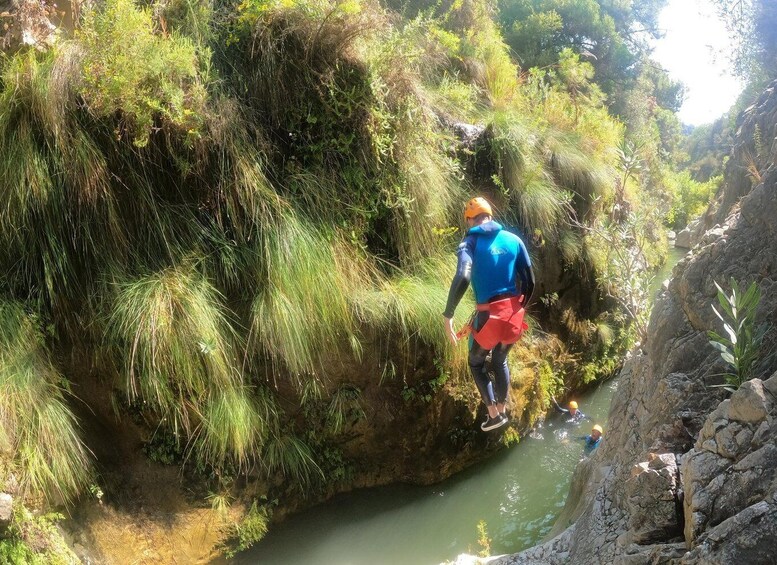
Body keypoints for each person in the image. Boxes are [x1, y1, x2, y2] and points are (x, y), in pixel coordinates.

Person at [443, 197, 535, 432]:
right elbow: (529, 281)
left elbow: (463, 276)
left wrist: (449, 314)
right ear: (490, 216)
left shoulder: (470, 242)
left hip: (488, 318)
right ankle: (502, 409)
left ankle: (493, 414)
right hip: (514, 315)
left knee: (476, 363)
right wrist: (519, 307)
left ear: (470, 220)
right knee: (500, 359)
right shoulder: (514, 240)